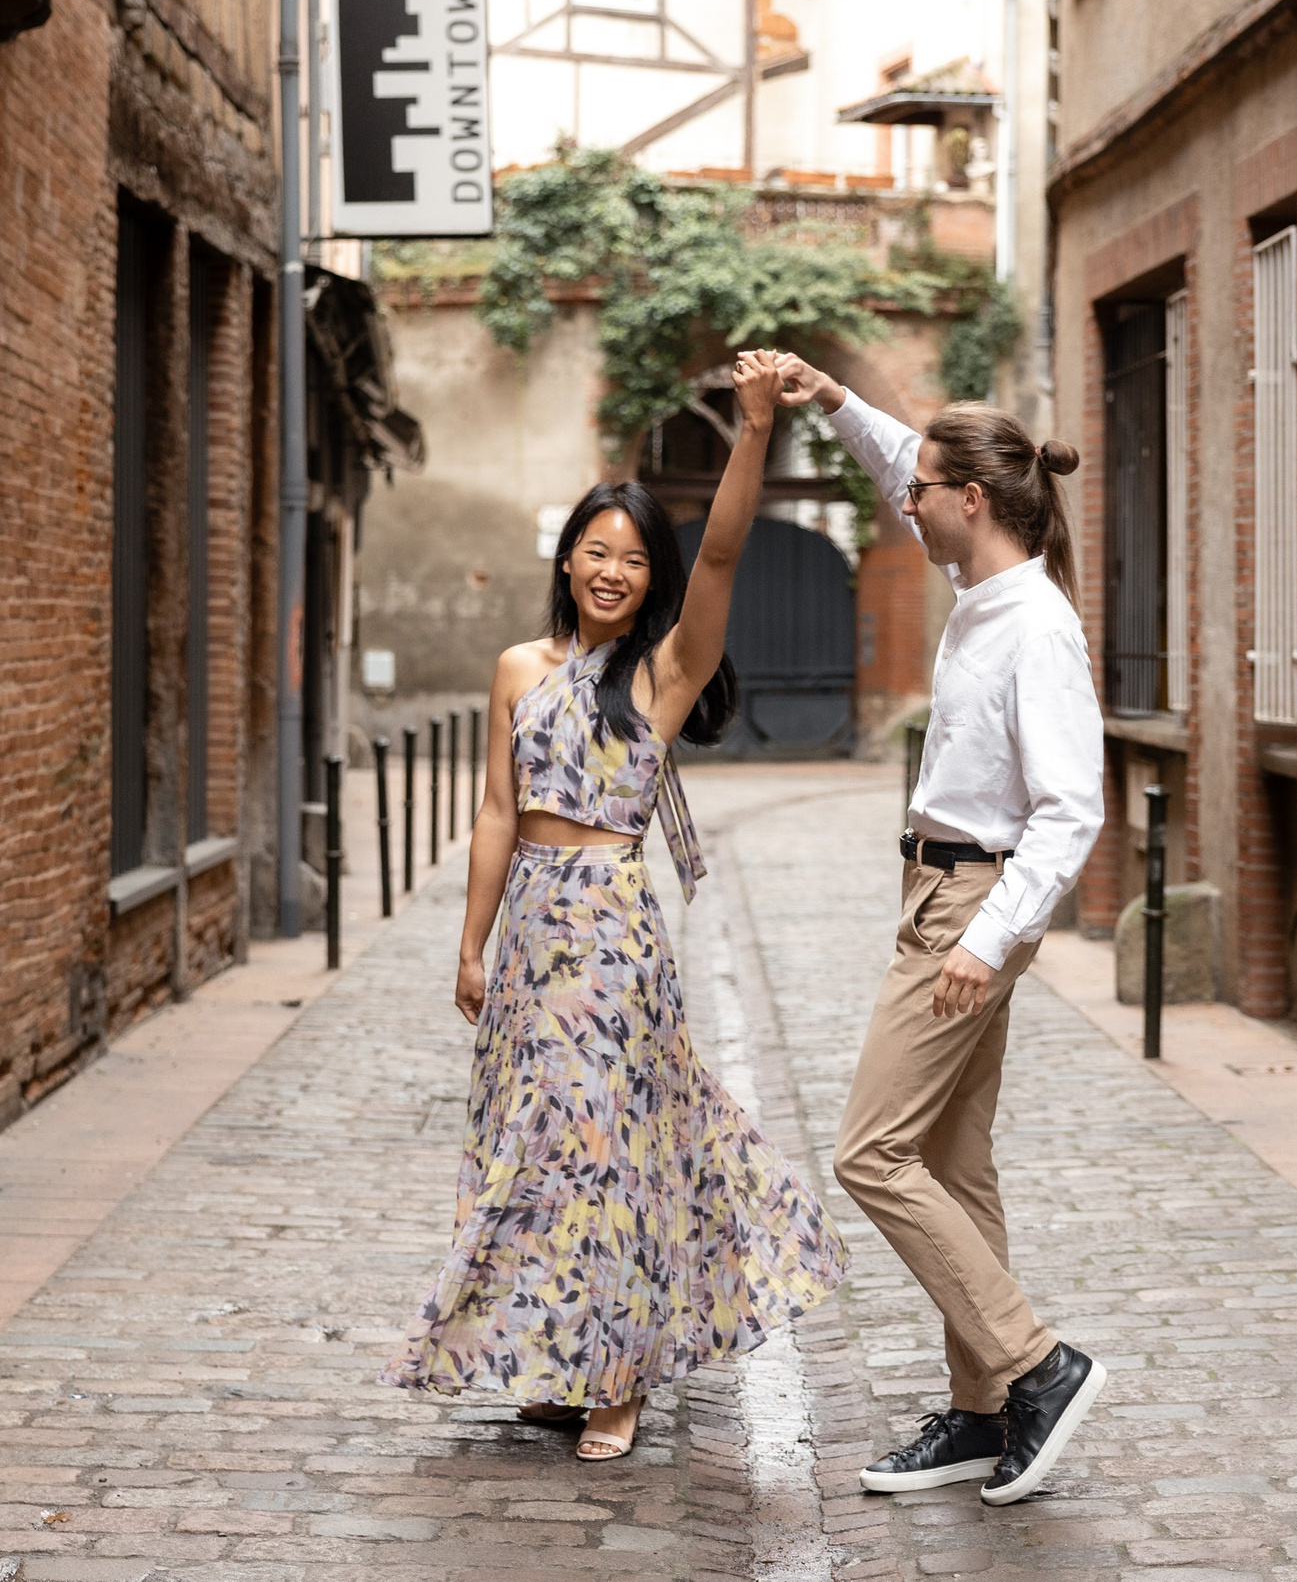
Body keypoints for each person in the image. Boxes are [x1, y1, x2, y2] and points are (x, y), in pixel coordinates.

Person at [382, 349, 848, 1462]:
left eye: (632, 559)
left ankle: (619, 1375)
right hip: (531, 936)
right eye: (595, 550)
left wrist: (750, 430)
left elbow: (726, 544)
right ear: (567, 558)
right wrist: (468, 943)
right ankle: (555, 1359)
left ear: (652, 580)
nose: (610, 571)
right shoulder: (514, 666)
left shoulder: (667, 670)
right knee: (532, 1156)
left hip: (611, 936)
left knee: (613, 1155)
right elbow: (497, 809)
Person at [774, 354, 1106, 1508]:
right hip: (939, 895)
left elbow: (1072, 811)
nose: (899, 501)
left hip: (970, 910)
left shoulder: (1036, 628)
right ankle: (978, 1414)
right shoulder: (982, 593)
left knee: (870, 1152)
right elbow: (892, 461)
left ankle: (1032, 1364)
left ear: (971, 498)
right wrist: (828, 398)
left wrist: (984, 938)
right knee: (955, 1168)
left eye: (919, 488)